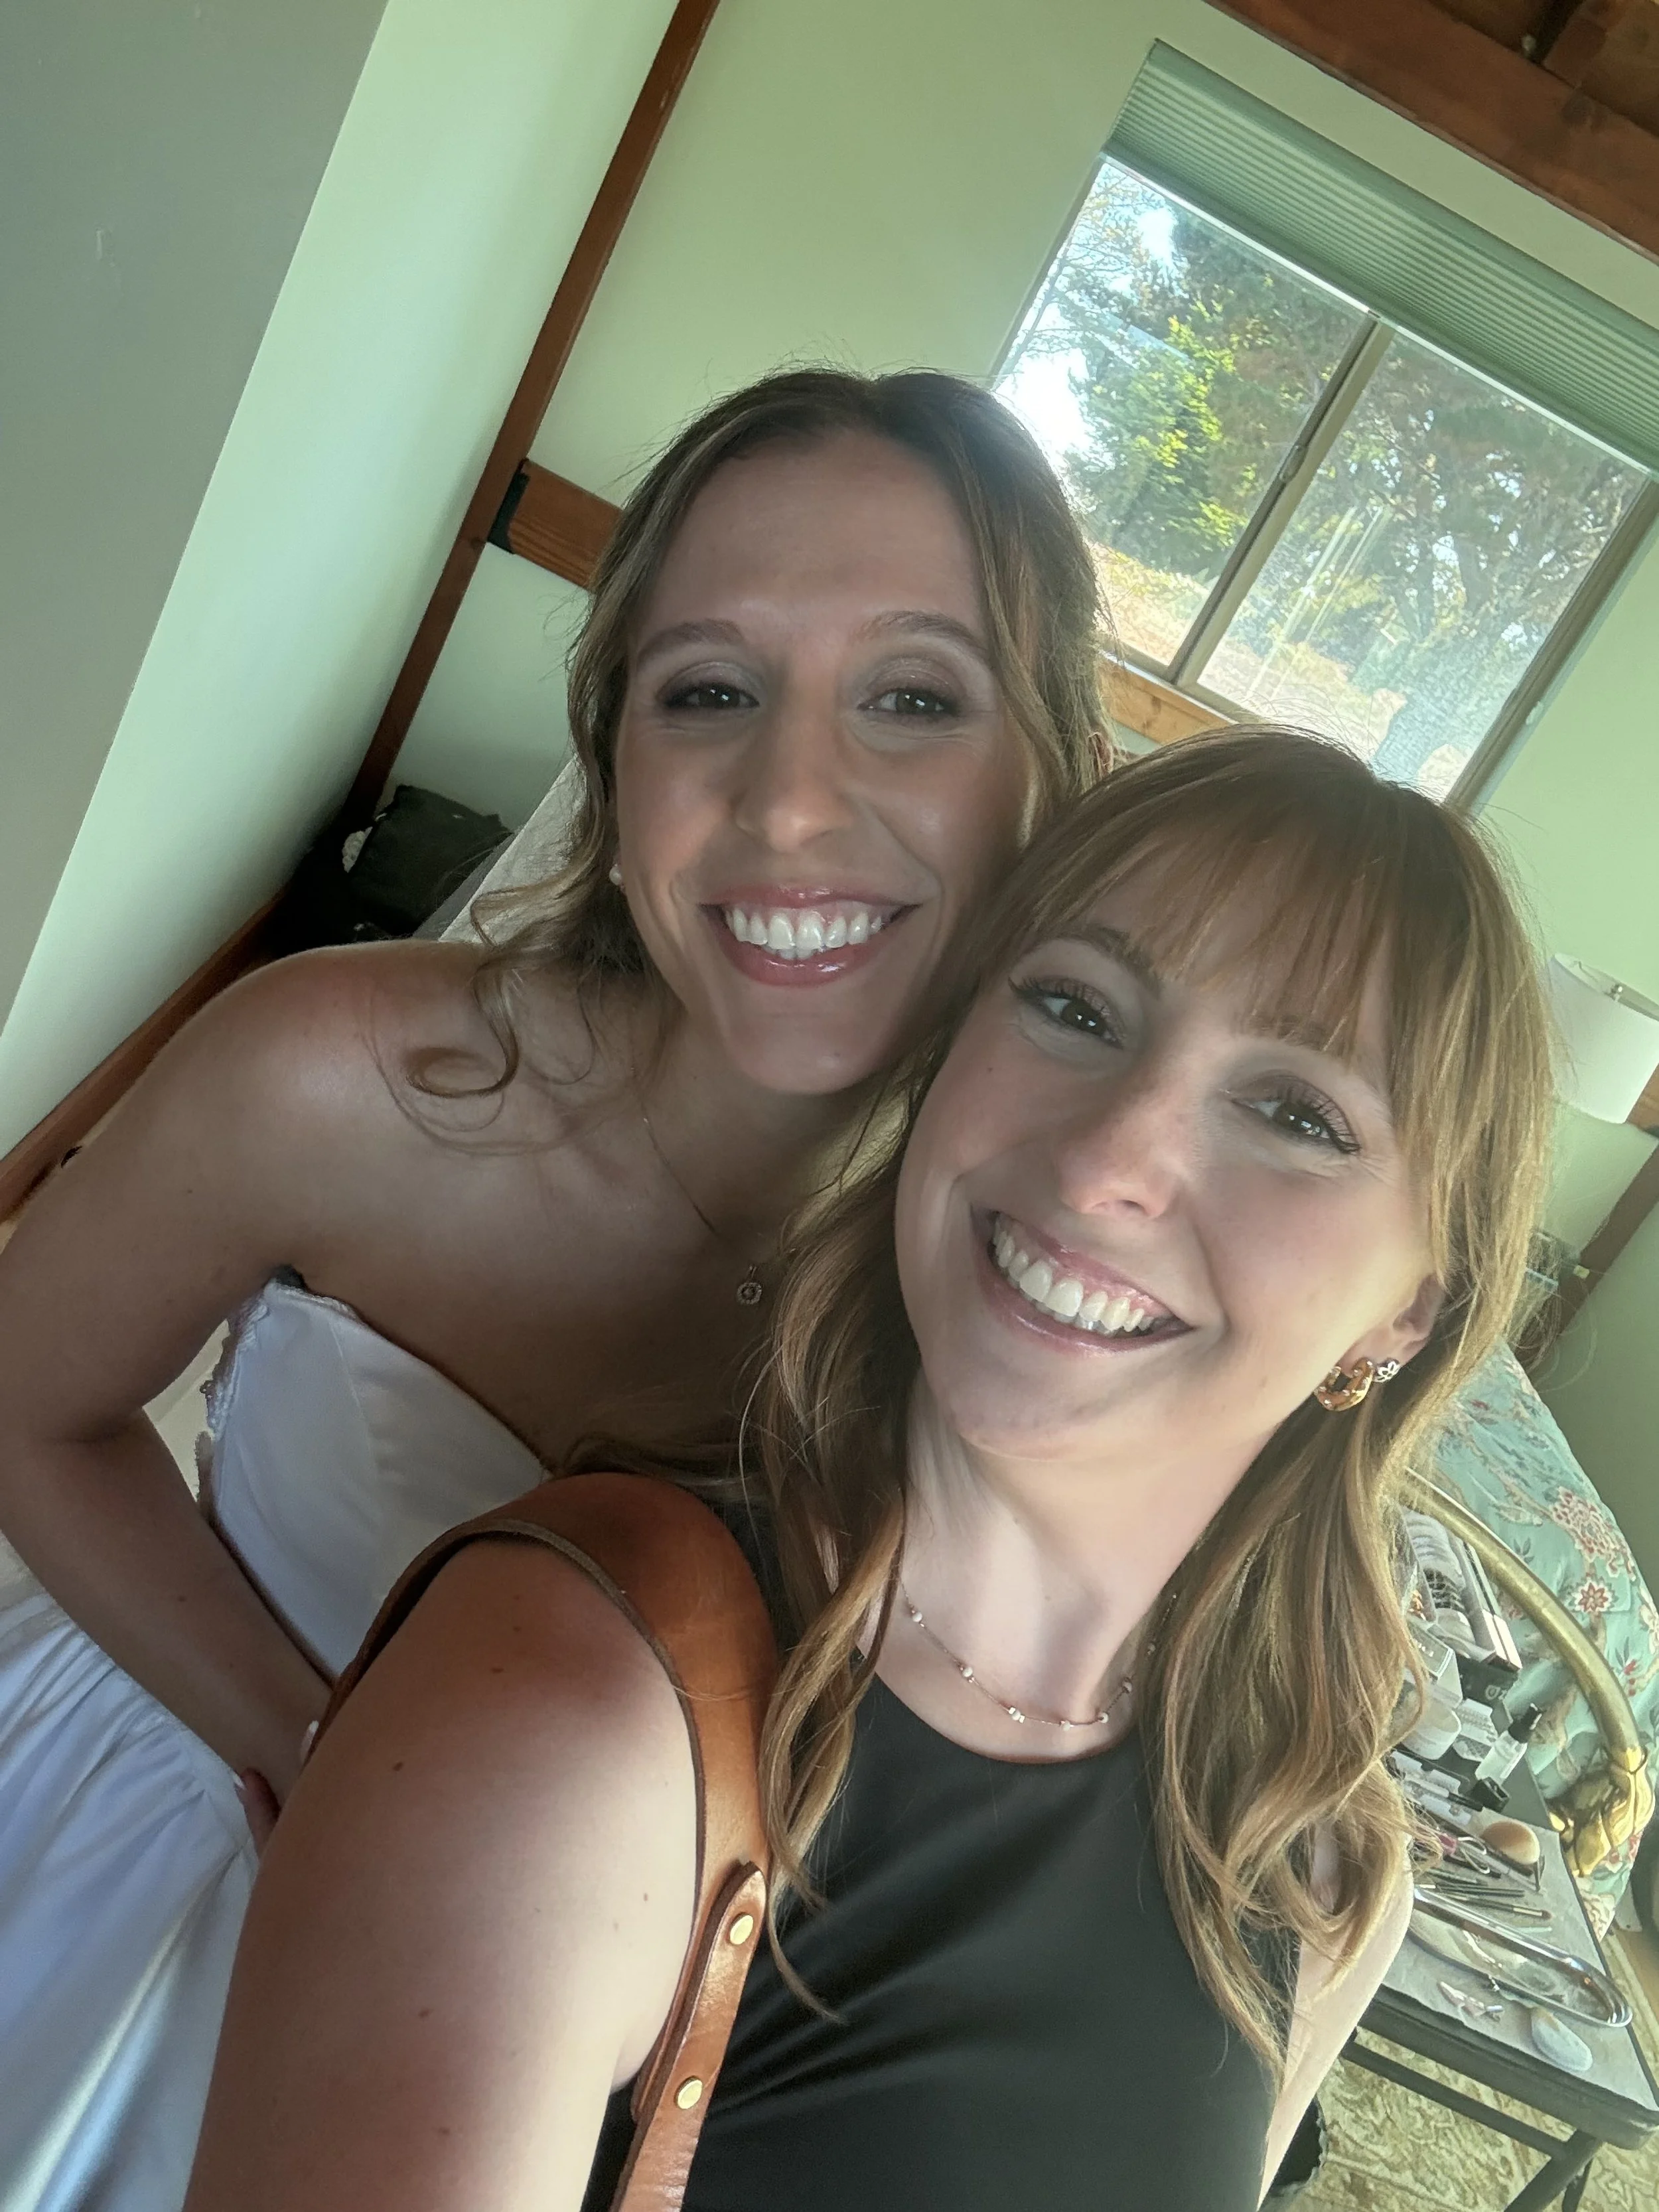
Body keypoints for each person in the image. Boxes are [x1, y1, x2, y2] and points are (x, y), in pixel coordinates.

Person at [0, 369, 1110, 2211]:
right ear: (613, 756)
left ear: (1040, 771)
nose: (792, 796)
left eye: (911, 696)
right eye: (709, 693)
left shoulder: (1020, 1306)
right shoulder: (331, 1077)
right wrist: (310, 1741)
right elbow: (26, 1403)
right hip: (141, 1852)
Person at [182, 728, 1555, 2211]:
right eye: (1072, 1005)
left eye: (1297, 1114)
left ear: (1406, 1314)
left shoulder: (1314, 1870)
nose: (1109, 1157)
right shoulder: (569, 1713)